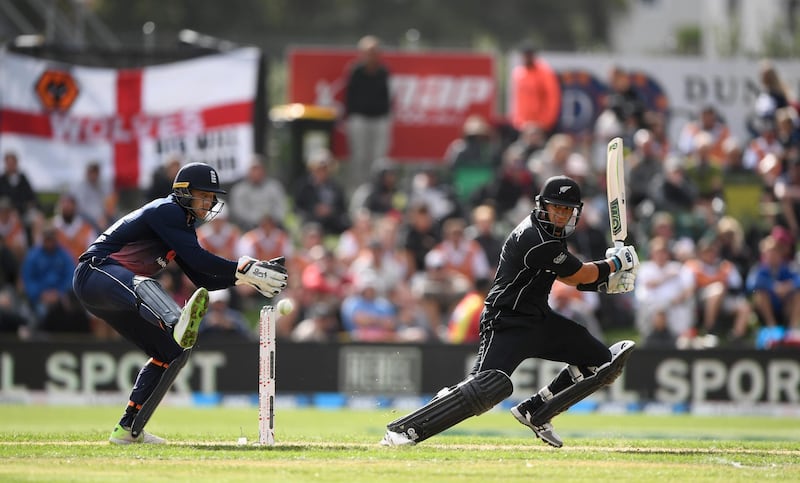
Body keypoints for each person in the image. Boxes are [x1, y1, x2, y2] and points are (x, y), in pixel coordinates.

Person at [381, 175, 639, 448]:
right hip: (506, 322)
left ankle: (537, 411)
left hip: (539, 320)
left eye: (567, 209)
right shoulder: (536, 238)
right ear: (543, 206)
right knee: (486, 387)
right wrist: (615, 264)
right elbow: (580, 274)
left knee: (601, 362)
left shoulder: (551, 233)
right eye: (556, 208)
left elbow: (571, 278)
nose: (562, 214)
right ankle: (404, 430)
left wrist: (608, 282)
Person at [72, 162, 288, 445]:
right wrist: (244, 267)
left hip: (114, 294)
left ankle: (128, 429)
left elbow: (203, 279)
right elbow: (199, 259)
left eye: (212, 196)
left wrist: (243, 280)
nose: (209, 201)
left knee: (172, 351)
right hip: (95, 273)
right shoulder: (167, 210)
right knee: (146, 285)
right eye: (204, 194)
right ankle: (176, 320)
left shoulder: (182, 226)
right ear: (184, 191)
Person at [344, 35, 393, 191]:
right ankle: (359, 191)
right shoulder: (356, 71)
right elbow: (350, 96)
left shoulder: (384, 72)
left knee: (380, 158)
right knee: (359, 157)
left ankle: (378, 190)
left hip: (380, 119)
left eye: (374, 52)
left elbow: (388, 97)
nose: (371, 55)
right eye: (368, 52)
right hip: (360, 119)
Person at [509, 42, 561, 134]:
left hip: (542, 125)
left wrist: (546, 122)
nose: (527, 58)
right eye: (525, 55)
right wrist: (518, 121)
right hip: (522, 125)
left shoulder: (545, 72)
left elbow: (552, 98)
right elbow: (517, 100)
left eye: (529, 55)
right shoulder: (518, 73)